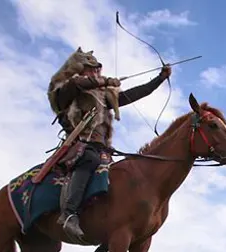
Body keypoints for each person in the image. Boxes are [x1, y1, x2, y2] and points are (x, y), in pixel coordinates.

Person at [47, 47, 172, 241]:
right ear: (81, 69)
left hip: (102, 148)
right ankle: (69, 213)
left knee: (118, 180)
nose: (96, 71)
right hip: (80, 146)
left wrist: (160, 78)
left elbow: (136, 93)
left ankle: (107, 241)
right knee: (88, 159)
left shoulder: (105, 95)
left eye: (98, 69)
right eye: (91, 68)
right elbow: (79, 84)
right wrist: (106, 81)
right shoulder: (70, 88)